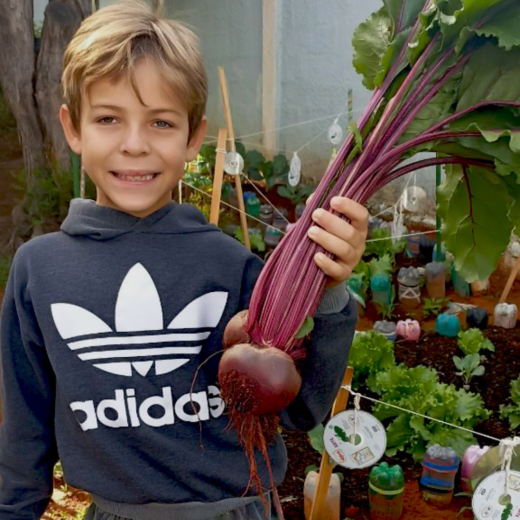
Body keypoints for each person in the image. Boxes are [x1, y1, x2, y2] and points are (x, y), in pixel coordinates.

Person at [0, 1, 369, 519]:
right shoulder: (40, 271)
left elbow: (300, 408)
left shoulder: (231, 265)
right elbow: (25, 432)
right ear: (74, 127)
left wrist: (329, 289)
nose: (134, 145)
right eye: (108, 119)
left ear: (194, 137)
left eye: (161, 122)